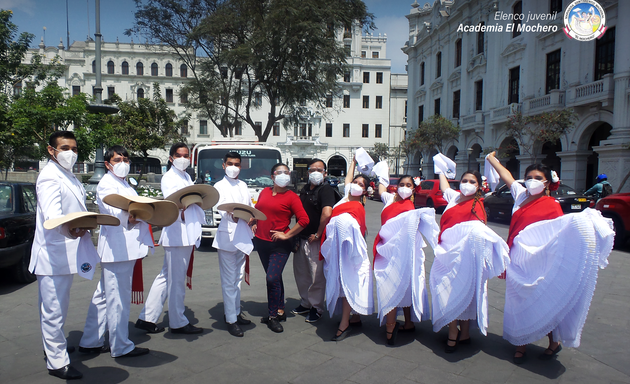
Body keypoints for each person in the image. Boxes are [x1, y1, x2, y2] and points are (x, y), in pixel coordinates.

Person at [486, 152, 614, 364]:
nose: (532, 181)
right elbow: (506, 175)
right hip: (518, 259)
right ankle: (520, 343)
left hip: (541, 260)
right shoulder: (520, 195)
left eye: (537, 178)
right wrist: (492, 160)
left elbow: (558, 234)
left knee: (543, 300)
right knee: (518, 302)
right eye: (529, 177)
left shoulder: (552, 204)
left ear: (546, 183)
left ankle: (553, 341)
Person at [30, 131, 99, 380]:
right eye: (65, 147)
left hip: (66, 250)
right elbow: (53, 216)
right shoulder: (49, 176)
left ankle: (54, 347)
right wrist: (74, 228)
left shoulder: (67, 175)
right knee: (53, 309)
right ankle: (57, 361)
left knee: (59, 306)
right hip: (53, 254)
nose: (71, 153)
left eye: (74, 148)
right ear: (51, 150)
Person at [79, 146, 152, 358]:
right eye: (118, 159)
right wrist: (135, 215)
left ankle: (90, 340)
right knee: (118, 298)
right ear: (108, 164)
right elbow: (113, 215)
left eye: (125, 159)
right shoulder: (106, 185)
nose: (123, 162)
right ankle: (120, 345)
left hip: (125, 247)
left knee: (104, 296)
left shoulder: (124, 183)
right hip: (117, 248)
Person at [429, 170, 509, 353]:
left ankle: (460, 334)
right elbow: (445, 187)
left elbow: (479, 234)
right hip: (447, 254)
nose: (467, 184)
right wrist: (441, 169)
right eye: (464, 180)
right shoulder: (454, 198)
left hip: (466, 258)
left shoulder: (478, 205)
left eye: (471, 181)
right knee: (447, 290)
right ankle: (454, 330)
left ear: (478, 186)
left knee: (466, 293)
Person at [136, 143, 204, 335]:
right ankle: (178, 321)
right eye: (178, 155)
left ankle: (147, 318)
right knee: (176, 280)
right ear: (171, 158)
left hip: (185, 233)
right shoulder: (169, 177)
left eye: (186, 155)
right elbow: (173, 202)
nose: (183, 158)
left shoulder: (187, 176)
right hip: (177, 233)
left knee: (166, 277)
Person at [373, 171, 438, 345]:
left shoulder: (413, 209)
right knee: (395, 284)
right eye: (402, 185)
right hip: (386, 249)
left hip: (403, 253)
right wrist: (382, 173)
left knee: (402, 285)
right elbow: (381, 190)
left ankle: (393, 326)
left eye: (409, 185)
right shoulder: (390, 199)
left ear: (414, 190)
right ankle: (405, 323)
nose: (404, 188)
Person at [251, 163, 309, 333]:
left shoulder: (292, 197)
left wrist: (287, 234)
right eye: (279, 172)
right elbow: (259, 209)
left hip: (280, 245)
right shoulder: (265, 192)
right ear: (272, 176)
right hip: (261, 242)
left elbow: (304, 220)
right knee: (275, 278)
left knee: (271, 278)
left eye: (286, 172)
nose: (283, 175)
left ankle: (273, 316)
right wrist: (254, 220)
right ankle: (280, 309)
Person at [321, 157, 372, 341]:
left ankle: (345, 323)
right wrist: (353, 162)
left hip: (350, 249)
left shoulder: (359, 205)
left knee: (349, 280)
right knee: (344, 281)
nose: (357, 185)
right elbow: (347, 180)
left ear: (365, 190)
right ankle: (355, 317)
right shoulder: (343, 199)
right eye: (355, 182)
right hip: (335, 247)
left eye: (361, 184)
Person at [212, 151, 254, 337]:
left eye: (237, 164)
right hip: (227, 236)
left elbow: (248, 206)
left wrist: (251, 218)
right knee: (229, 281)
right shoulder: (218, 186)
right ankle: (231, 319)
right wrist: (233, 215)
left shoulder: (244, 185)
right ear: (223, 165)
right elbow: (220, 209)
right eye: (230, 163)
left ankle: (236, 311)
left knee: (237, 279)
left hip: (242, 235)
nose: (233, 167)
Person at [292, 158, 336, 323]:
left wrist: (318, 234)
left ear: (325, 173)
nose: (315, 173)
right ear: (308, 172)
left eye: (319, 170)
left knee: (316, 275)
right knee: (301, 273)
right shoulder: (304, 190)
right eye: (312, 170)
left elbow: (327, 213)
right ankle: (306, 303)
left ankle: (316, 307)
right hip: (301, 238)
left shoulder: (326, 190)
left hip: (315, 239)